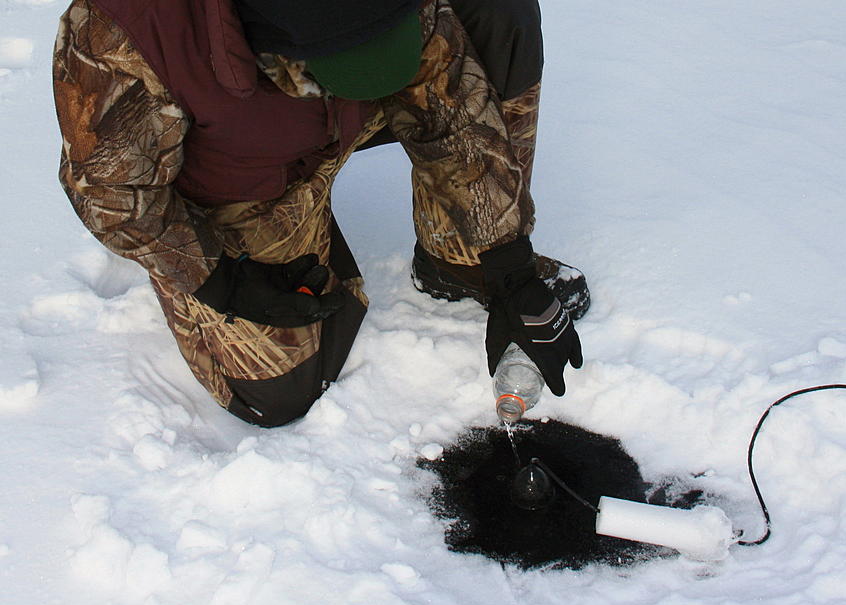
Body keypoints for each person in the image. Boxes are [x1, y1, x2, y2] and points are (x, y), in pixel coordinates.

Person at [53, 0, 589, 427]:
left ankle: (453, 260)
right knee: (278, 393)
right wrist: (219, 279)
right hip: (239, 167)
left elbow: (451, 114)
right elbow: (108, 191)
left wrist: (505, 262)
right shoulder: (128, 28)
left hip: (341, 115)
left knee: (497, 12)